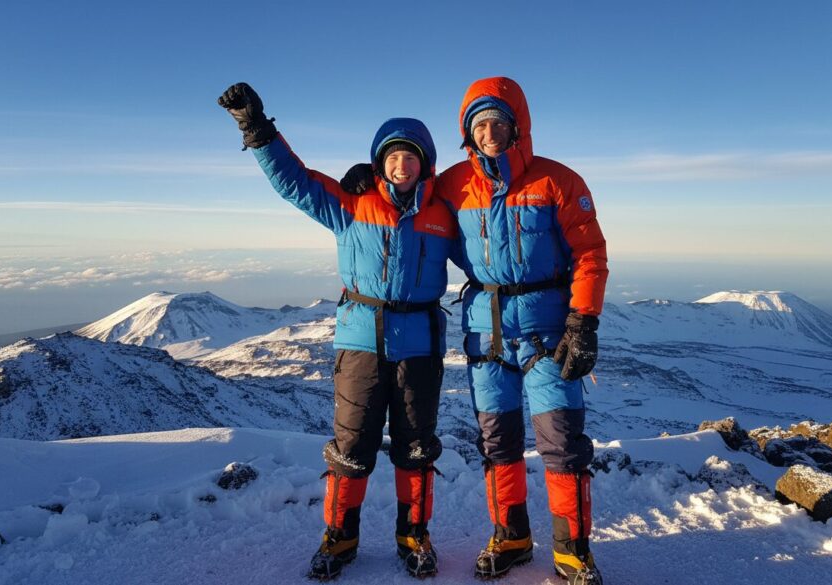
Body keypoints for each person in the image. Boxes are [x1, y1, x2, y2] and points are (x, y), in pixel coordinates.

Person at [340, 76, 608, 584]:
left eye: (497, 122)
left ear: (517, 127)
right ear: (468, 132)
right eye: (478, 124)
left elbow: (590, 253)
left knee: (562, 441)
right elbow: (405, 190)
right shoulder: (454, 184)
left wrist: (584, 320)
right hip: (486, 334)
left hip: (548, 331)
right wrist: (366, 176)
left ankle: (573, 551)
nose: (488, 132)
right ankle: (511, 536)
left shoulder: (558, 181)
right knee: (497, 442)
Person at [218, 82, 456, 580]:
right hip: (361, 343)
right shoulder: (352, 204)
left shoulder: (444, 212)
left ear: (425, 164)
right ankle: (340, 536)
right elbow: (295, 181)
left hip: (420, 346)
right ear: (378, 162)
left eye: (410, 157)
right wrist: (256, 128)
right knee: (351, 447)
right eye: (391, 157)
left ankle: (414, 536)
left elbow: (490, 236)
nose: (401, 166)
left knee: (416, 449)